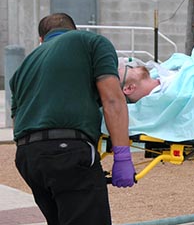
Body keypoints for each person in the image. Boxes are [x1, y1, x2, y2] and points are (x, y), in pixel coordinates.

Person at [10, 13, 136, 224]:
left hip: (28, 158)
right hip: (67, 151)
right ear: (74, 30)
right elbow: (112, 99)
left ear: (42, 39)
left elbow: (17, 120)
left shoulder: (23, 67)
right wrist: (122, 156)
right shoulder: (91, 42)